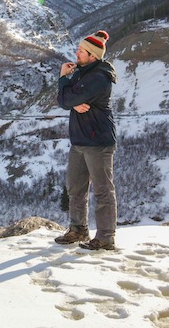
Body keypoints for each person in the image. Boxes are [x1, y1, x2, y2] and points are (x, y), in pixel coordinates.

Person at [54, 30, 118, 250]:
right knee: (75, 188)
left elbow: (64, 99)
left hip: (97, 142)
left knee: (102, 191)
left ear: (93, 55)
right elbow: (67, 100)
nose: (76, 53)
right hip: (80, 140)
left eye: (81, 51)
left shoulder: (98, 77)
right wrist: (73, 101)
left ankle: (105, 238)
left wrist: (64, 81)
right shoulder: (83, 72)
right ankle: (78, 229)